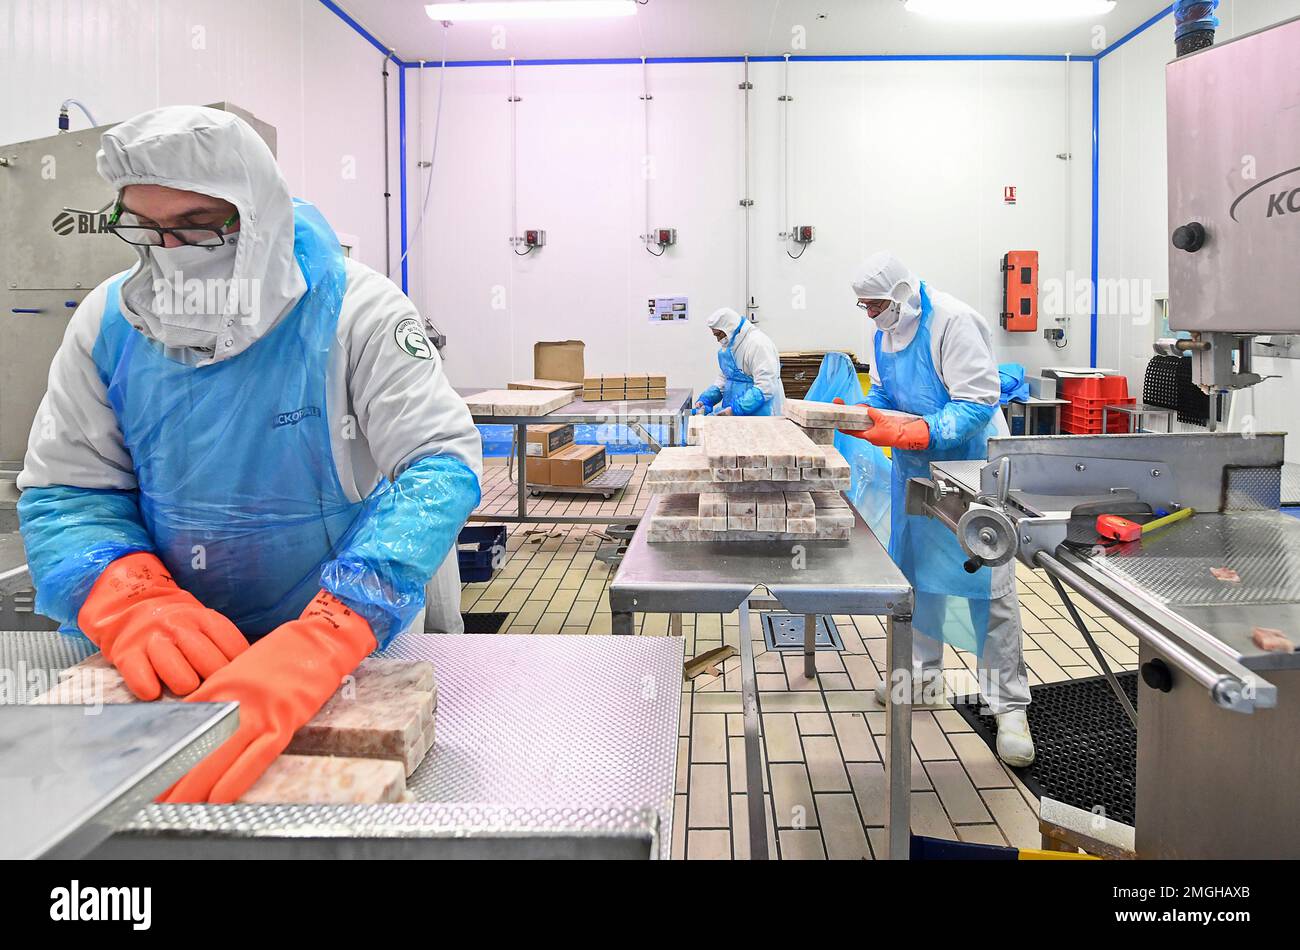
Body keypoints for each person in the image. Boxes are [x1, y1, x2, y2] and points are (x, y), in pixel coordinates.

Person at [17, 106, 482, 802]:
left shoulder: (355, 310)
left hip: (346, 643)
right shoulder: (108, 322)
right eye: (147, 228)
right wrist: (135, 601)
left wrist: (330, 631)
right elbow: (70, 491)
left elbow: (439, 463)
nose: (171, 251)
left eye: (198, 225)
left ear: (257, 211)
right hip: (172, 657)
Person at [841, 252, 1034, 767]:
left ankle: (1009, 707)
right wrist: (867, 414)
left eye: (875, 304)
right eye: (864, 306)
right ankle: (921, 677)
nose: (869, 314)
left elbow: (977, 401)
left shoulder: (952, 320)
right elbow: (885, 390)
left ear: (900, 293)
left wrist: (925, 431)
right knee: (920, 578)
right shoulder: (885, 333)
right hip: (916, 470)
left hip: (971, 472)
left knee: (986, 589)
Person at [693, 307, 785, 417]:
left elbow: (766, 386)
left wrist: (736, 409)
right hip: (736, 413)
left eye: (719, 334)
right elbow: (725, 378)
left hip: (762, 413)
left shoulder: (758, 344)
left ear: (728, 328)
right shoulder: (730, 348)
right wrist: (708, 398)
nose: (718, 340)